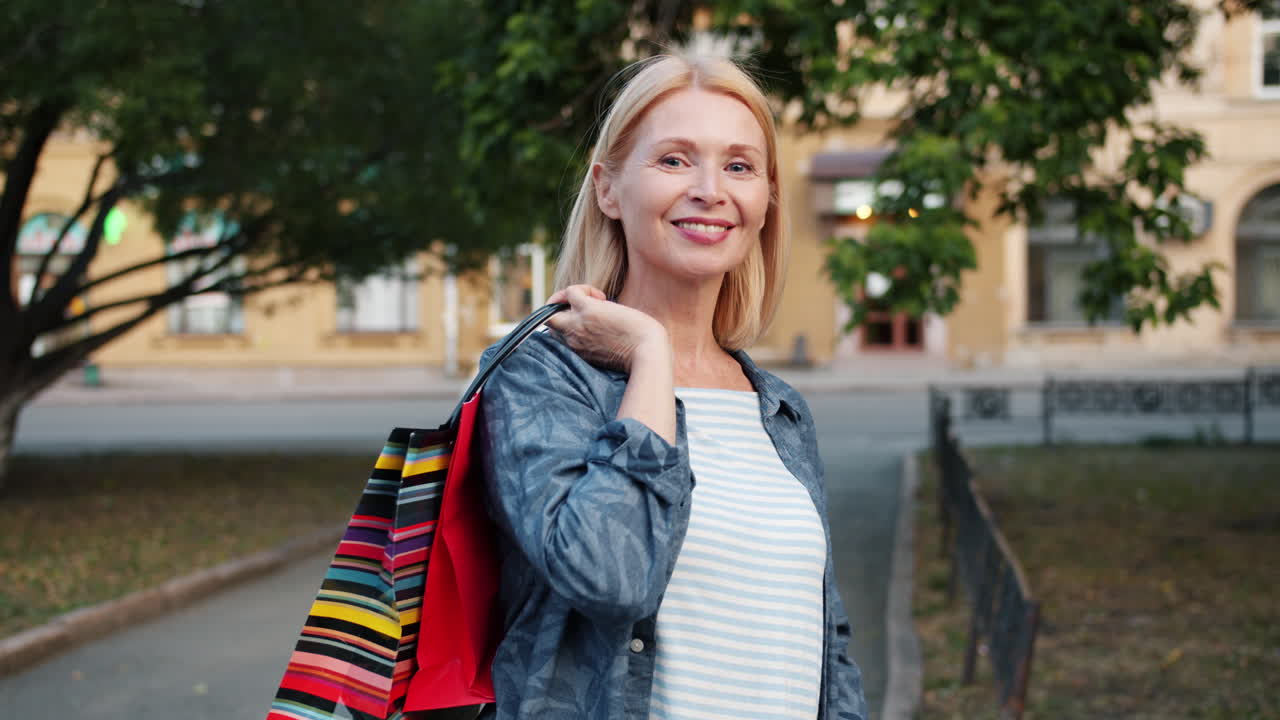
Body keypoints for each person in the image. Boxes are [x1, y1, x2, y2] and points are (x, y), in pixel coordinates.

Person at [476, 53, 867, 720]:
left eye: (739, 166)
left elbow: (827, 647)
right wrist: (650, 355)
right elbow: (610, 575)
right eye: (676, 160)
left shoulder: (778, 410)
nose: (711, 189)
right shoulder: (539, 377)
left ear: (766, 199)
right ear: (608, 188)